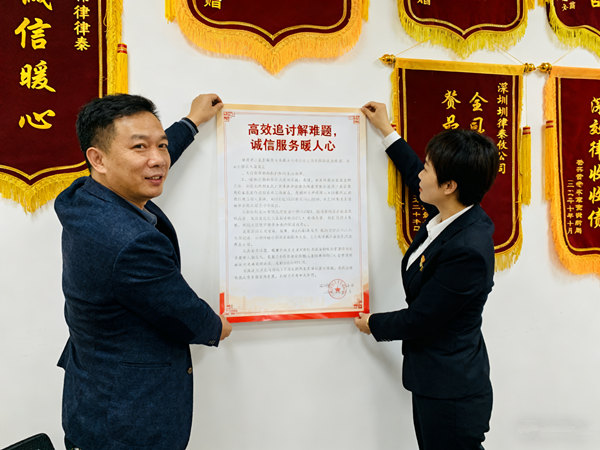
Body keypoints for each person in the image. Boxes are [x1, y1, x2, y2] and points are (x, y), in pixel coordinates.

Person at [54, 93, 232, 450]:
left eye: (161, 145)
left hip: (92, 396)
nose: (158, 159)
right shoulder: (130, 242)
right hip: (128, 424)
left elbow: (149, 163)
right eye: (140, 147)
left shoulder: (84, 196)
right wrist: (219, 327)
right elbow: (184, 314)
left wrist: (190, 122)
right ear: (98, 159)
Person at [355, 101, 499, 450]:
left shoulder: (468, 250)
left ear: (449, 185)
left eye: (428, 168)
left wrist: (372, 323)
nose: (421, 172)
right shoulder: (453, 213)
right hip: (436, 379)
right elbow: (413, 174)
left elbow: (423, 319)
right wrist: (387, 132)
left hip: (453, 391)